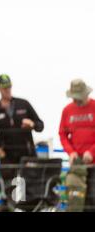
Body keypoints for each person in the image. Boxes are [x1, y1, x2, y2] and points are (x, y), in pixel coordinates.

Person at [0, 74, 44, 188]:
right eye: (4, 88)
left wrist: (32, 124)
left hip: (28, 155)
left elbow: (40, 125)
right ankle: (11, 205)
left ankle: (29, 205)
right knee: (11, 190)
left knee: (31, 189)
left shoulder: (24, 104)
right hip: (7, 158)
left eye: (9, 87)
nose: (7, 90)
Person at [59, 79, 95, 212]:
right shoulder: (67, 110)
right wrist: (71, 152)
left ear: (86, 94)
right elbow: (62, 134)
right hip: (77, 166)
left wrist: (92, 152)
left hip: (93, 164)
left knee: (92, 199)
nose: (77, 101)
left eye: (79, 98)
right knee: (76, 201)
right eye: (75, 98)